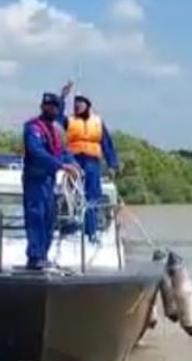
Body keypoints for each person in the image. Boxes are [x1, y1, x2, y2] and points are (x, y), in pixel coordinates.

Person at [21, 91, 79, 271]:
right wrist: (61, 166)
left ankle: (43, 256)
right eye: (49, 107)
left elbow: (62, 151)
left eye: (55, 107)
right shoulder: (33, 128)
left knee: (48, 219)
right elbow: (37, 153)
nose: (52, 110)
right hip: (35, 180)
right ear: (42, 107)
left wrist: (74, 165)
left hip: (49, 181)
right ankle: (34, 257)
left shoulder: (56, 130)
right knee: (36, 217)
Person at [57, 84, 119, 243]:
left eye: (81, 103)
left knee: (92, 196)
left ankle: (90, 232)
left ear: (88, 105)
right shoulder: (69, 120)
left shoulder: (98, 122)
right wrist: (62, 97)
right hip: (74, 161)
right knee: (71, 194)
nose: (77, 106)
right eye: (75, 103)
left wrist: (112, 164)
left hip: (92, 162)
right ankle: (68, 227)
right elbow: (56, 115)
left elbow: (107, 144)